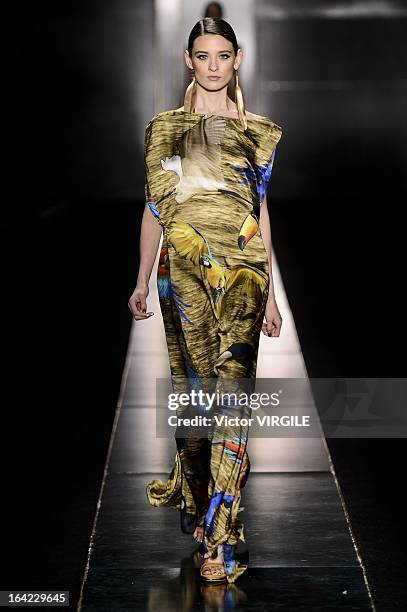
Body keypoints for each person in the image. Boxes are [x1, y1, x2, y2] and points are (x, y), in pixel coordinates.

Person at [128, 17, 283, 584]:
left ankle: (221, 532)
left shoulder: (258, 133)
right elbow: (153, 209)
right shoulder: (164, 130)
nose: (213, 64)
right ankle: (200, 503)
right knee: (197, 400)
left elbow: (259, 211)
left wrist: (270, 292)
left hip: (244, 272)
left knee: (234, 396)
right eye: (202, 55)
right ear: (188, 61)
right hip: (184, 274)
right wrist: (142, 279)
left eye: (223, 54)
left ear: (237, 59)